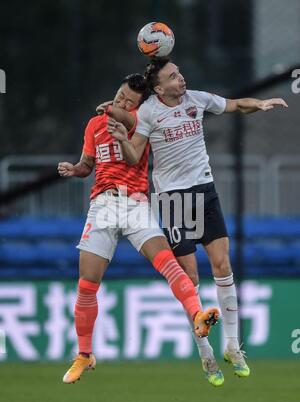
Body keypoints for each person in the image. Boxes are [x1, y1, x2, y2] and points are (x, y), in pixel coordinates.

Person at [107, 58, 288, 385]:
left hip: (205, 189)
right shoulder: (148, 112)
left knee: (223, 266)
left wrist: (259, 103)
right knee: (190, 277)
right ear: (160, 88)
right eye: (173, 76)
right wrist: (121, 135)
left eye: (179, 73)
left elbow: (234, 104)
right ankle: (205, 352)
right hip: (174, 199)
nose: (181, 78)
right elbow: (135, 155)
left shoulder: (196, 99)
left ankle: (233, 346)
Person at [57, 73, 219, 384]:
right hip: (103, 205)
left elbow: (129, 121)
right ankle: (84, 354)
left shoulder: (139, 121)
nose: (122, 103)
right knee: (87, 283)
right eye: (119, 97)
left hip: (135, 204)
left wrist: (118, 112)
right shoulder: (94, 125)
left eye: (129, 102)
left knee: (169, 265)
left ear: (140, 106)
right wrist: (75, 169)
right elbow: (88, 165)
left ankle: (198, 315)